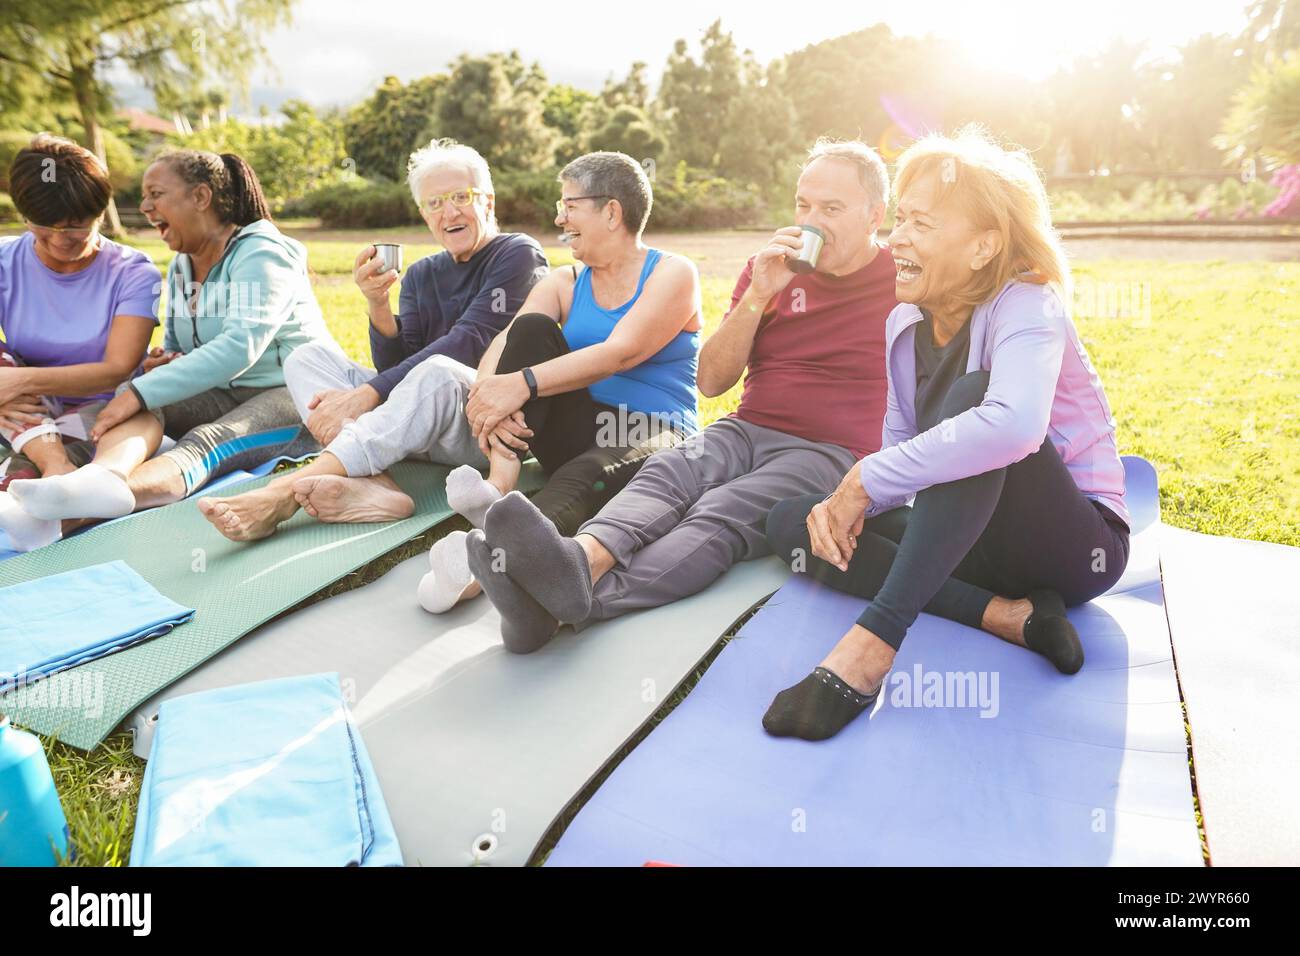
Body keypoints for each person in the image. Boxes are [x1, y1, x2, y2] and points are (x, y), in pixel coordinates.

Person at [198, 151, 703, 617]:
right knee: (530, 331)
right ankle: (496, 486)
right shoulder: (566, 281)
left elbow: (621, 353)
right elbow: (505, 340)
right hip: (567, 424)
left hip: (643, 428)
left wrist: (519, 385)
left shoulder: (673, 272)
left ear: (611, 213)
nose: (559, 218)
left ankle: (477, 566)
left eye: (569, 206)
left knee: (579, 480)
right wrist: (488, 390)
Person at [761, 127, 1132, 741]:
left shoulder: (1028, 302)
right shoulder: (904, 320)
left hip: (1073, 544)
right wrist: (851, 501)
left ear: (984, 246)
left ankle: (871, 647)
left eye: (921, 224)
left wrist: (865, 479)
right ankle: (1007, 616)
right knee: (795, 522)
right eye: (899, 219)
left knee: (975, 401)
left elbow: (1011, 427)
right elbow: (901, 442)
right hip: (971, 539)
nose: (897, 238)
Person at [464, 139, 898, 653]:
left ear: (875, 215)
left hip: (830, 449)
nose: (811, 221)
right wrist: (760, 295)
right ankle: (579, 560)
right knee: (668, 472)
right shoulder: (767, 271)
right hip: (746, 427)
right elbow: (713, 382)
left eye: (831, 208)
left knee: (723, 509)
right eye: (803, 205)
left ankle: (569, 608)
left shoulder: (906, 280)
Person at [0, 149, 330, 546]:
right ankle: (98, 478)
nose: (144, 206)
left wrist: (138, 389)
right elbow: (176, 348)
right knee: (135, 403)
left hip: (295, 395)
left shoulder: (262, 252)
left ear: (201, 197)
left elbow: (241, 345)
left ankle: (60, 520)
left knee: (207, 440)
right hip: (222, 392)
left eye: (156, 194)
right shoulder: (181, 267)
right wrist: (160, 364)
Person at [280, 137, 549, 484]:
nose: (449, 212)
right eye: (434, 203)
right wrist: (378, 304)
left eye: (461, 197)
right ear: (424, 213)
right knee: (306, 357)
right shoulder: (422, 274)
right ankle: (375, 484)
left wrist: (365, 395)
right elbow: (394, 368)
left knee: (438, 371)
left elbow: (469, 343)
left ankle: (350, 468)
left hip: (482, 424)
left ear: (488, 202)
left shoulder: (517, 253)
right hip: (413, 417)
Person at [0, 135, 159, 549]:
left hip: (101, 408)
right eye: (41, 227)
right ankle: (54, 471)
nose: (58, 241)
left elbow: (116, 368)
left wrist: (19, 383)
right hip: (26, 410)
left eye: (74, 226)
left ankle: (47, 482)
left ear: (98, 212)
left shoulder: (132, 272)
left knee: (135, 406)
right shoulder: (4, 261)